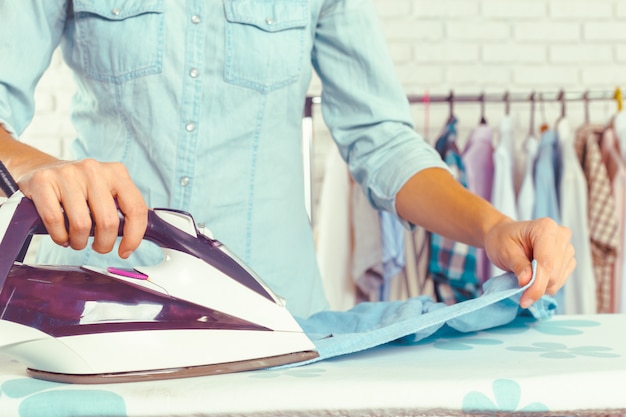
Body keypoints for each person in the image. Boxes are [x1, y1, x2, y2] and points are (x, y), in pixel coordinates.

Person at [0, 1, 574, 319]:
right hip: (95, 310)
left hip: (274, 320)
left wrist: (492, 225)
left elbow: (383, 140)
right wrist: (31, 164)